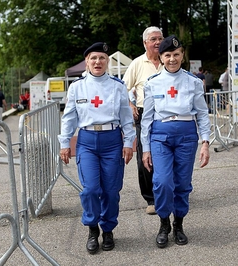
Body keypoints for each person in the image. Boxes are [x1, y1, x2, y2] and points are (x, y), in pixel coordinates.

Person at [58, 42, 135, 254]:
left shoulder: (118, 86)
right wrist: (65, 144)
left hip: (112, 141)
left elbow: (126, 118)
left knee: (111, 191)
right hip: (87, 141)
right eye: (93, 58)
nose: (97, 62)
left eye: (101, 58)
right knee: (91, 189)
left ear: (107, 61)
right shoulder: (77, 87)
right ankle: (93, 229)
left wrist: (128, 142)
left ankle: (108, 230)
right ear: (87, 62)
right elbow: (69, 118)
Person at [140, 35, 211, 248]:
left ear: (182, 56)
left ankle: (178, 223)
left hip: (187, 135)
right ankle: (164, 223)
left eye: (176, 54)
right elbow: (147, 118)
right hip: (160, 136)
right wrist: (145, 148)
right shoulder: (152, 83)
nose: (172, 59)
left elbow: (202, 114)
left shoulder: (193, 82)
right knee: (162, 181)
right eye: (167, 55)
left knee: (182, 183)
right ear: (160, 57)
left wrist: (205, 142)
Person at [122, 26, 164, 215]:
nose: (158, 42)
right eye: (153, 39)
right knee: (145, 157)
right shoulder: (137, 64)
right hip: (143, 114)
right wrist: (130, 104)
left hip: (166, 115)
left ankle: (169, 192)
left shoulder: (169, 60)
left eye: (160, 38)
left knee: (167, 154)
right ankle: (151, 198)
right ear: (145, 43)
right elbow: (122, 88)